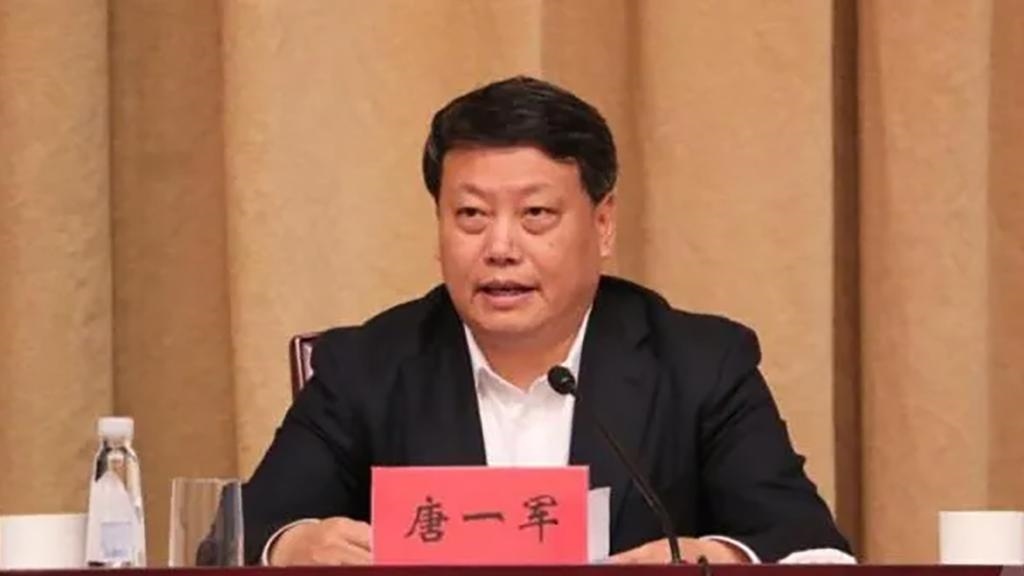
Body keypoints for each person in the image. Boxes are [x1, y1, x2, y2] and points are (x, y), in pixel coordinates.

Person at [241, 76, 853, 566]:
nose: (500, 247)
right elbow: (241, 535)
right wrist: (291, 546)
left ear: (603, 224)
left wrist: (720, 558)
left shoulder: (699, 364)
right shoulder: (365, 367)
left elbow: (812, 549)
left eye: (535, 214)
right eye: (471, 215)